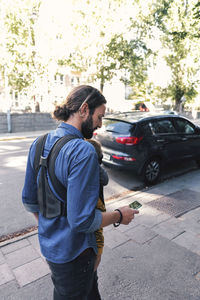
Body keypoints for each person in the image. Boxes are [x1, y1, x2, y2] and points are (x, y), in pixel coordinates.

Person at [22, 85, 139, 300]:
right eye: (99, 116)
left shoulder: (38, 143)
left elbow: (29, 201)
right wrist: (120, 215)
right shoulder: (82, 150)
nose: (100, 124)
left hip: (51, 249)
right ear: (84, 109)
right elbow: (82, 221)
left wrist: (50, 230)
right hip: (77, 254)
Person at [86, 139, 108, 272]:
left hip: (93, 213)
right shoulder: (94, 168)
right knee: (98, 245)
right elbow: (105, 179)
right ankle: (92, 273)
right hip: (95, 212)